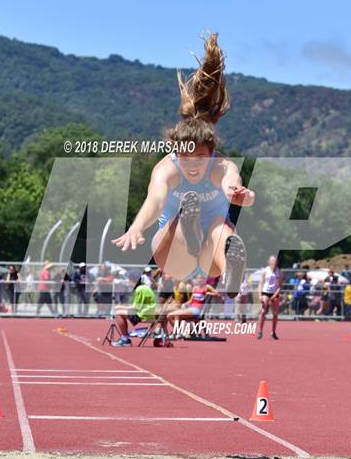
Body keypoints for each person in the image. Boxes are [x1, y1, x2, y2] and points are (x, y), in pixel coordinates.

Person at [112, 33, 255, 298]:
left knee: (220, 229)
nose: (191, 166)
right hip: (173, 251)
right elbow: (155, 201)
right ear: (177, 150)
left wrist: (243, 196)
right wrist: (137, 227)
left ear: (211, 153)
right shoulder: (166, 168)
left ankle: (231, 275)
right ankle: (187, 228)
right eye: (186, 158)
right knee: (184, 226)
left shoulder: (222, 167)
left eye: (199, 159)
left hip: (209, 254)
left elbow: (234, 187)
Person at [112, 282, 157, 347]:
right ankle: (125, 338)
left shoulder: (139, 289)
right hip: (148, 313)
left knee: (118, 314)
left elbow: (136, 308)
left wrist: (120, 307)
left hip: (144, 315)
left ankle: (125, 339)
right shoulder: (144, 287)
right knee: (120, 311)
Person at [257, 256, 284, 340]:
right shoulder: (265, 271)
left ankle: (273, 332)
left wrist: (274, 295)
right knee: (263, 311)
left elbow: (280, 286)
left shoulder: (279, 272)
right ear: (269, 262)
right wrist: (260, 295)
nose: (274, 264)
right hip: (266, 292)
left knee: (275, 314)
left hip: (275, 292)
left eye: (275, 263)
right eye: (272, 262)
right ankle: (260, 331)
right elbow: (261, 283)